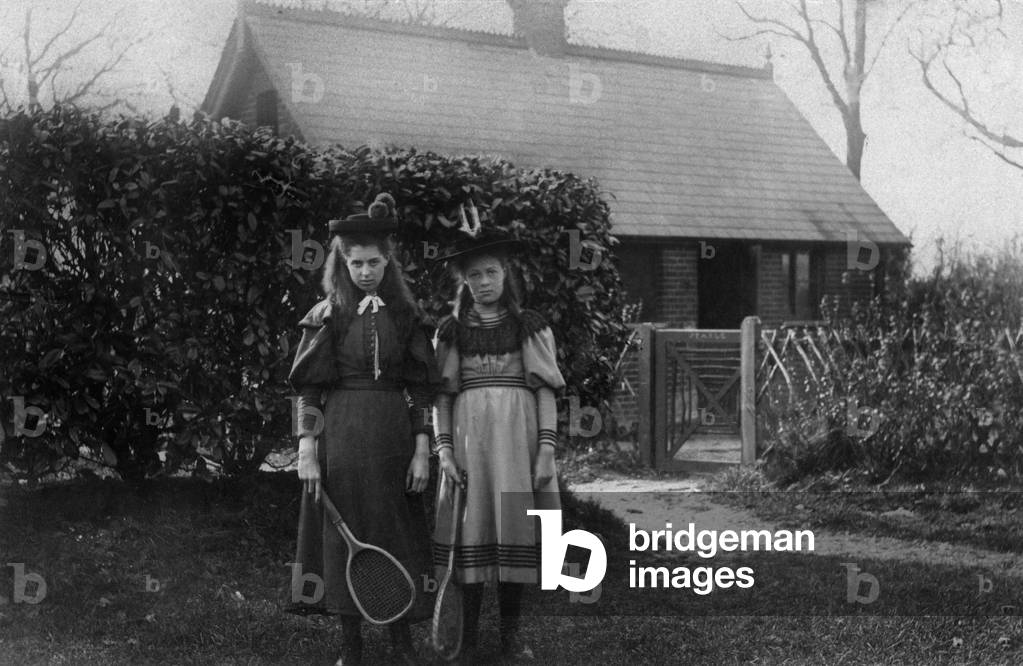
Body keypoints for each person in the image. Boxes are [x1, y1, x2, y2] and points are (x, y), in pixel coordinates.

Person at [287, 193, 440, 666]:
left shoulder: (405, 315)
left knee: (397, 530)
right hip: (344, 436)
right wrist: (307, 448)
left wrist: (422, 448)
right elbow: (308, 390)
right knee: (343, 532)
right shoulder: (327, 314)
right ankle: (350, 646)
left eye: (374, 262)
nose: (366, 271)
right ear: (342, 263)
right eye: (356, 263)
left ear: (388, 262)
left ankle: (400, 641)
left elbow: (420, 388)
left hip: (394, 436)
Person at [431, 230, 566, 663]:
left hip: (517, 441)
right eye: (475, 275)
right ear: (464, 282)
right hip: (471, 442)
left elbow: (545, 389)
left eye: (492, 272)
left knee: (514, 529)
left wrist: (545, 450)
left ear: (506, 273)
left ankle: (510, 635)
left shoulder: (529, 325)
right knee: (471, 530)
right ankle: (468, 640)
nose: (485, 282)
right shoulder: (451, 330)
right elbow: (443, 396)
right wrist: (445, 450)